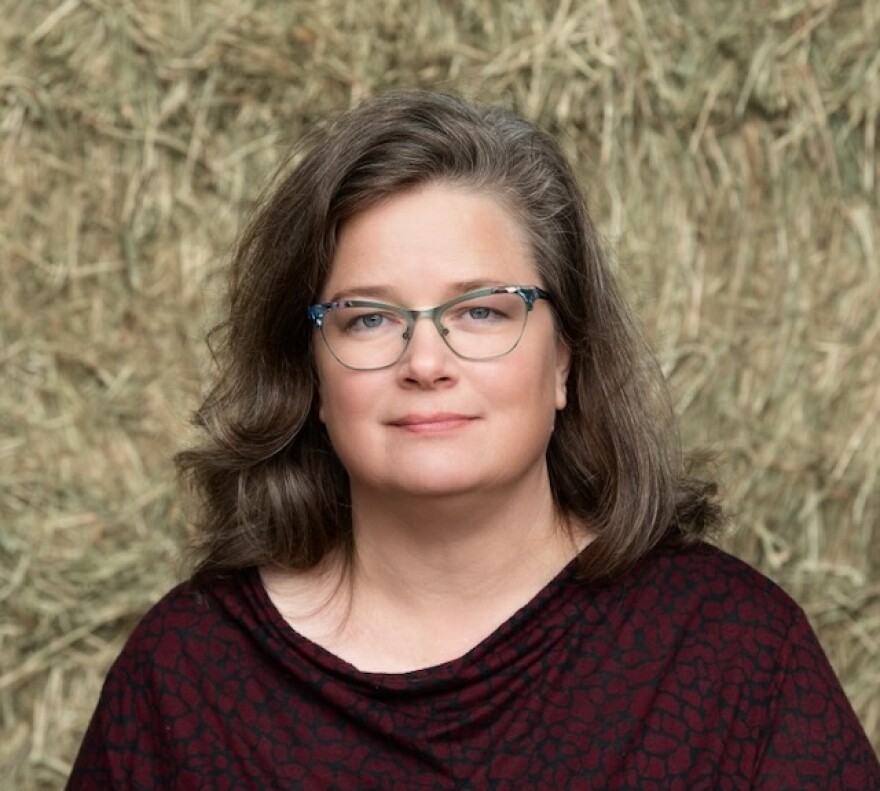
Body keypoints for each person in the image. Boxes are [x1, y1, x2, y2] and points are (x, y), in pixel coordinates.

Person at [67, 91, 879, 789]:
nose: (426, 361)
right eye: (369, 317)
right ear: (309, 375)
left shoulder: (731, 653)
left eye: (482, 310)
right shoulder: (186, 675)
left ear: (565, 357)